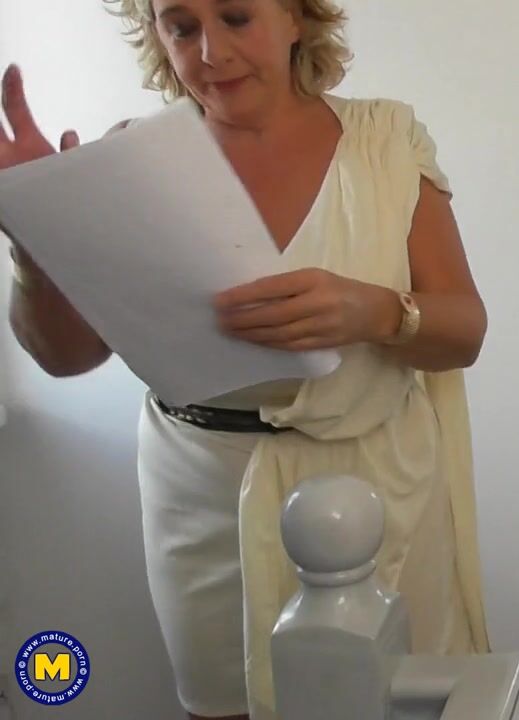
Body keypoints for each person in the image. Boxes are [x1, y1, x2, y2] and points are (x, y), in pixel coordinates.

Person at [1, 1, 490, 718]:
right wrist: (35, 243)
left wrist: (378, 311)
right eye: (182, 26)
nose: (209, 53)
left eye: (235, 17)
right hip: (200, 495)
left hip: (375, 489)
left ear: (296, 17)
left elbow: (465, 331)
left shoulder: (384, 140)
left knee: (390, 704)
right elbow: (66, 357)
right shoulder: (134, 161)